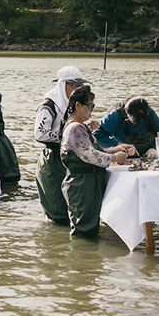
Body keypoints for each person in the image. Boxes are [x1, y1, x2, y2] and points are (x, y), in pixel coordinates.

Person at [60, 84, 129, 238]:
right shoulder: (74, 129)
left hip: (87, 183)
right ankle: (81, 260)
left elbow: (90, 151)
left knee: (90, 227)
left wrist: (114, 149)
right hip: (81, 185)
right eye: (90, 106)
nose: (92, 111)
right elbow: (90, 155)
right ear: (78, 106)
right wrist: (115, 158)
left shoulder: (79, 127)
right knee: (84, 231)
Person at [33, 65, 89, 226]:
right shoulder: (49, 104)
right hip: (52, 159)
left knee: (69, 204)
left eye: (80, 86)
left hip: (66, 158)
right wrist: (65, 137)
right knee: (57, 209)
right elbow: (40, 133)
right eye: (74, 85)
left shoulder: (71, 104)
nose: (77, 89)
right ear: (63, 84)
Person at [94, 96, 159, 156]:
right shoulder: (114, 117)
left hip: (148, 155)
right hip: (124, 156)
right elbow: (97, 135)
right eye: (137, 120)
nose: (141, 121)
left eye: (143, 119)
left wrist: (154, 148)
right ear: (127, 112)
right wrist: (119, 145)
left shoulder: (149, 112)